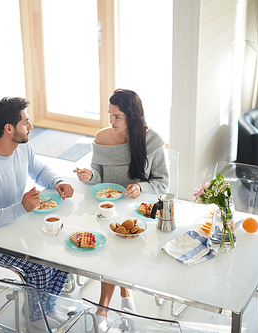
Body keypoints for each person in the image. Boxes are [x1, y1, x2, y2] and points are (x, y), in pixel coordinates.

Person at [0, 97, 74, 329]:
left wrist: (57, 181)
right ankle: (34, 319)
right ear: (9, 128)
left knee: (63, 256)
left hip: (15, 224)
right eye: (26, 122)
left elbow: (39, 169)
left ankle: (45, 309)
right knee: (41, 268)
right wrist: (20, 208)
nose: (31, 126)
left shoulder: (22, 147)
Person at [74, 88, 168, 326]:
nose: (111, 121)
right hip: (107, 207)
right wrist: (89, 175)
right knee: (112, 247)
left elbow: (163, 182)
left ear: (132, 117)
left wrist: (141, 188)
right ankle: (125, 295)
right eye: (109, 115)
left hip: (137, 212)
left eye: (117, 117)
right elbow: (97, 175)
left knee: (115, 251)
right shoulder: (102, 137)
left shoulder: (152, 140)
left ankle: (103, 309)